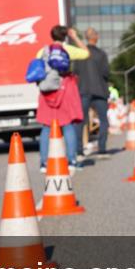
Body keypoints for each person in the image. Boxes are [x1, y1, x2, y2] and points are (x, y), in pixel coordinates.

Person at [35, 26, 89, 173]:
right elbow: (86, 53)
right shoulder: (68, 49)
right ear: (65, 36)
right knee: (68, 125)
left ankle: (44, 163)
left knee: (46, 126)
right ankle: (71, 160)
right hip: (65, 88)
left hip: (47, 90)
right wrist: (75, 37)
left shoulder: (43, 51)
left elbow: (38, 67)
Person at [74, 27, 112, 158]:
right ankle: (102, 149)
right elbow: (106, 73)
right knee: (103, 120)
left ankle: (79, 150)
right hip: (100, 90)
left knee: (80, 121)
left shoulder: (80, 54)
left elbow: (76, 72)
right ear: (96, 37)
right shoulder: (101, 54)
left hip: (84, 90)